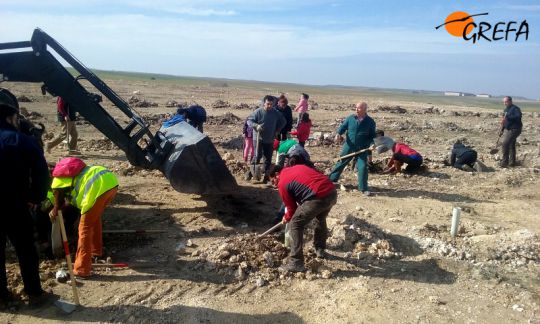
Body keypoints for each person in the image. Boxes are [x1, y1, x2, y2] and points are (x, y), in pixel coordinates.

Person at [0, 102, 51, 305]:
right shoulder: (22, 140)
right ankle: (34, 293)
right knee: (26, 249)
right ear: (11, 118)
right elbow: (41, 174)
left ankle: (1, 296)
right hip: (14, 204)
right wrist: (34, 198)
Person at [49, 158, 118, 278]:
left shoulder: (57, 180)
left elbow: (58, 198)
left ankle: (82, 269)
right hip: (111, 181)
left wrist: (55, 210)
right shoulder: (75, 174)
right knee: (94, 218)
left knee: (84, 228)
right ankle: (96, 251)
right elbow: (69, 199)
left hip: (98, 187)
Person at [268, 164, 337, 272]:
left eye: (273, 181)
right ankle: (320, 249)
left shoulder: (282, 182)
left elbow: (291, 208)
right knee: (320, 218)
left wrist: (286, 217)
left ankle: (296, 262)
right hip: (331, 192)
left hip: (317, 197)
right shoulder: (297, 167)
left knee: (295, 224)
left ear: (277, 174)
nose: (274, 184)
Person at [329, 102, 376, 196]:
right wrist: (338, 133)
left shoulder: (370, 121)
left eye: (359, 108)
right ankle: (331, 180)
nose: (356, 110)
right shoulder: (350, 118)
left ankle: (363, 188)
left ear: (364, 109)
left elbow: (372, 136)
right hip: (349, 146)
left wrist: (372, 144)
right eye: (356, 108)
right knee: (341, 162)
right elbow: (343, 127)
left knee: (362, 167)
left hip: (363, 148)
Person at [247, 95, 286, 180]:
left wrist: (277, 130)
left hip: (270, 138)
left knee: (268, 157)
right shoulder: (258, 112)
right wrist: (256, 126)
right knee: (257, 156)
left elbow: (283, 121)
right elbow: (249, 121)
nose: (269, 106)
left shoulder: (275, 112)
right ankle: (251, 173)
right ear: (264, 103)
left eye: (271, 104)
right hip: (258, 138)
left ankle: (265, 174)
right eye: (268, 104)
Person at [499, 96, 522, 168]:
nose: (504, 103)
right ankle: (512, 162)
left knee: (505, 144)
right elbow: (504, 121)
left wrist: (508, 116)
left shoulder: (515, 109)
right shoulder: (505, 109)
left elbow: (518, 117)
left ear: (510, 101)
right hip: (509, 129)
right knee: (511, 145)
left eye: (506, 102)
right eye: (504, 102)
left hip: (515, 129)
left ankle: (504, 163)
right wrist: (501, 130)